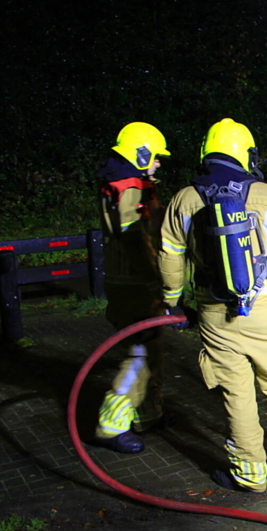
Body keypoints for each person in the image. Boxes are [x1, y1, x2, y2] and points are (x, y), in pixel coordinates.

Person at [158, 118, 267, 492]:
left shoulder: (184, 199)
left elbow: (170, 259)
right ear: (245, 154)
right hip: (265, 309)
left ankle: (250, 475)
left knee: (236, 393)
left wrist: (171, 303)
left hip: (214, 314)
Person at [94, 122, 171, 454]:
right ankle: (111, 424)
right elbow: (135, 238)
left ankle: (146, 415)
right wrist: (156, 278)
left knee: (149, 350)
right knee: (138, 352)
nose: (157, 164)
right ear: (140, 153)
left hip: (126, 280)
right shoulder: (131, 188)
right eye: (155, 157)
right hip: (134, 284)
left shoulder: (119, 183)